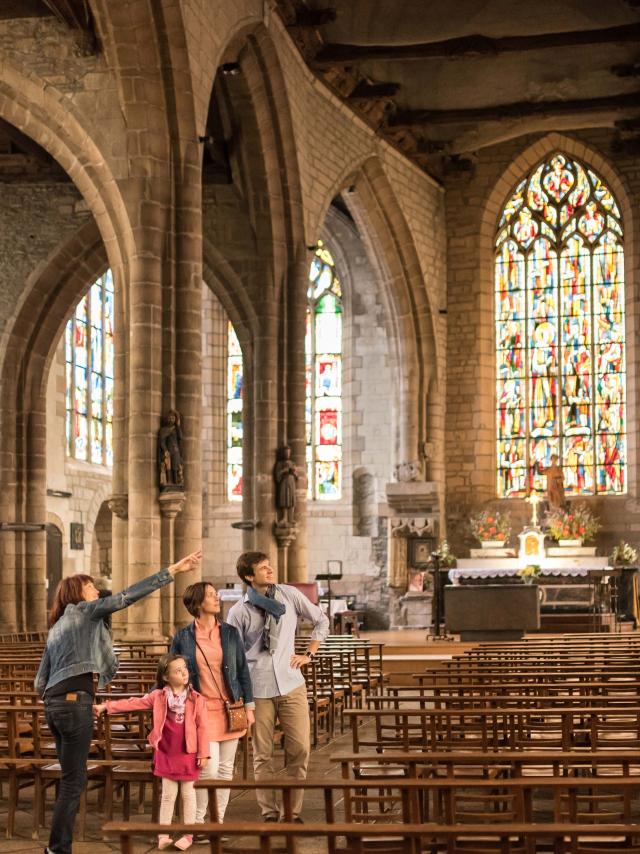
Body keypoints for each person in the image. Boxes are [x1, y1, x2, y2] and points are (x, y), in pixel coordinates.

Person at [34, 550, 201, 854]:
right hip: (74, 704)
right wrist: (173, 569)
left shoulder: (56, 627)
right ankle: (57, 850)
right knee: (74, 782)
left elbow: (39, 681)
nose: (97, 591)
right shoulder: (85, 611)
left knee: (70, 778)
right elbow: (127, 596)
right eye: (90, 586)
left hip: (53, 705)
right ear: (78, 594)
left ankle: (56, 847)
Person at [226, 552, 330, 822]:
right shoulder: (238, 611)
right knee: (263, 754)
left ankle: (292, 811)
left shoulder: (288, 595)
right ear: (249, 576)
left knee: (300, 749)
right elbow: (233, 656)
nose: (270, 570)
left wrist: (310, 653)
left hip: (291, 682)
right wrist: (238, 697)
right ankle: (269, 812)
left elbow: (321, 620)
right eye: (263, 568)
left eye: (269, 565)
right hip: (257, 689)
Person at [94, 653, 209, 851]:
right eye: (177, 670)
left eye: (185, 668)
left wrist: (203, 753)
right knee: (167, 795)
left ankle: (188, 834)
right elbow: (133, 702)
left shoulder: (196, 699)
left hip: (188, 752)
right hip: (166, 751)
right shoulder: (158, 696)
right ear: (165, 677)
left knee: (188, 794)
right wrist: (107, 706)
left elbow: (203, 728)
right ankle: (163, 834)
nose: (183, 673)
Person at [170, 582, 255, 835]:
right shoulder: (183, 637)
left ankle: (216, 824)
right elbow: (171, 671)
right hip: (200, 712)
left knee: (226, 771)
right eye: (210, 595)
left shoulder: (229, 633)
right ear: (197, 604)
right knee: (208, 769)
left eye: (214, 593)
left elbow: (242, 671)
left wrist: (249, 707)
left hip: (230, 709)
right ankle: (196, 824)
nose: (216, 597)